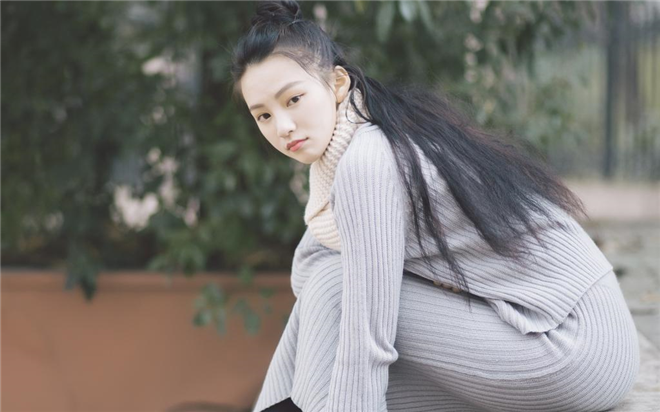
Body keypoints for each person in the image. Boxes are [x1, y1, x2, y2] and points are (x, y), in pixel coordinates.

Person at [230, 1, 640, 411]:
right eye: (263, 116)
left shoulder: (366, 160)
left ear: (337, 83)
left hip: (575, 344)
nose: (282, 127)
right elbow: (310, 270)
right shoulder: (347, 153)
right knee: (329, 373)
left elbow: (365, 332)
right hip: (566, 341)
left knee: (336, 291)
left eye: (293, 99)